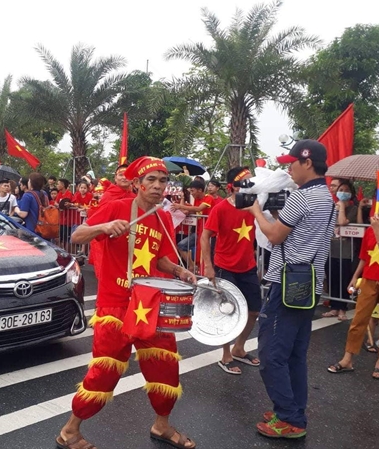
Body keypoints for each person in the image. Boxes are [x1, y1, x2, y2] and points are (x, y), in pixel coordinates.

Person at [56, 157, 198, 449]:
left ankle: (162, 426)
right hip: (115, 305)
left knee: (165, 366)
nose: (158, 186)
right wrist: (105, 227)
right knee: (105, 371)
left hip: (150, 303)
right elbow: (77, 235)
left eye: (162, 181)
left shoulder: (163, 217)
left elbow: (160, 258)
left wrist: (180, 270)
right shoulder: (116, 207)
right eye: (152, 181)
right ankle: (70, 431)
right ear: (138, 184)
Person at [246, 139, 336, 439]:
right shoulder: (328, 198)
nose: (290, 169)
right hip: (310, 286)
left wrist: (256, 210)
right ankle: (293, 409)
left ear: (307, 162)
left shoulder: (300, 198)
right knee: (294, 354)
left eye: (292, 163)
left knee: (271, 355)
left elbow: (273, 237)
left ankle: (289, 419)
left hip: (285, 285)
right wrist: (272, 218)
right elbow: (291, 233)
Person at [328, 196, 379, 380]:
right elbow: (365, 256)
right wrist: (355, 277)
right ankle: (347, 360)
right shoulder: (370, 231)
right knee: (358, 320)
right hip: (369, 280)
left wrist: (378, 231)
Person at [201, 167, 262, 375]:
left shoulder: (255, 206)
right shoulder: (220, 208)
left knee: (254, 310)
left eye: (250, 181)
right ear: (233, 186)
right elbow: (204, 236)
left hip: (248, 267)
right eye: (244, 182)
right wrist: (208, 266)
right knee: (227, 312)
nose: (249, 185)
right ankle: (226, 354)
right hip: (224, 266)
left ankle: (239, 347)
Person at [324, 179, 358, 321]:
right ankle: (334, 306)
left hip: (346, 250)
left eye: (346, 191)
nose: (343, 193)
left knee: (344, 279)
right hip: (331, 249)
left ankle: (343, 308)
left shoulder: (353, 209)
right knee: (332, 277)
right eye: (341, 190)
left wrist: (342, 207)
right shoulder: (331, 206)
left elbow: (343, 222)